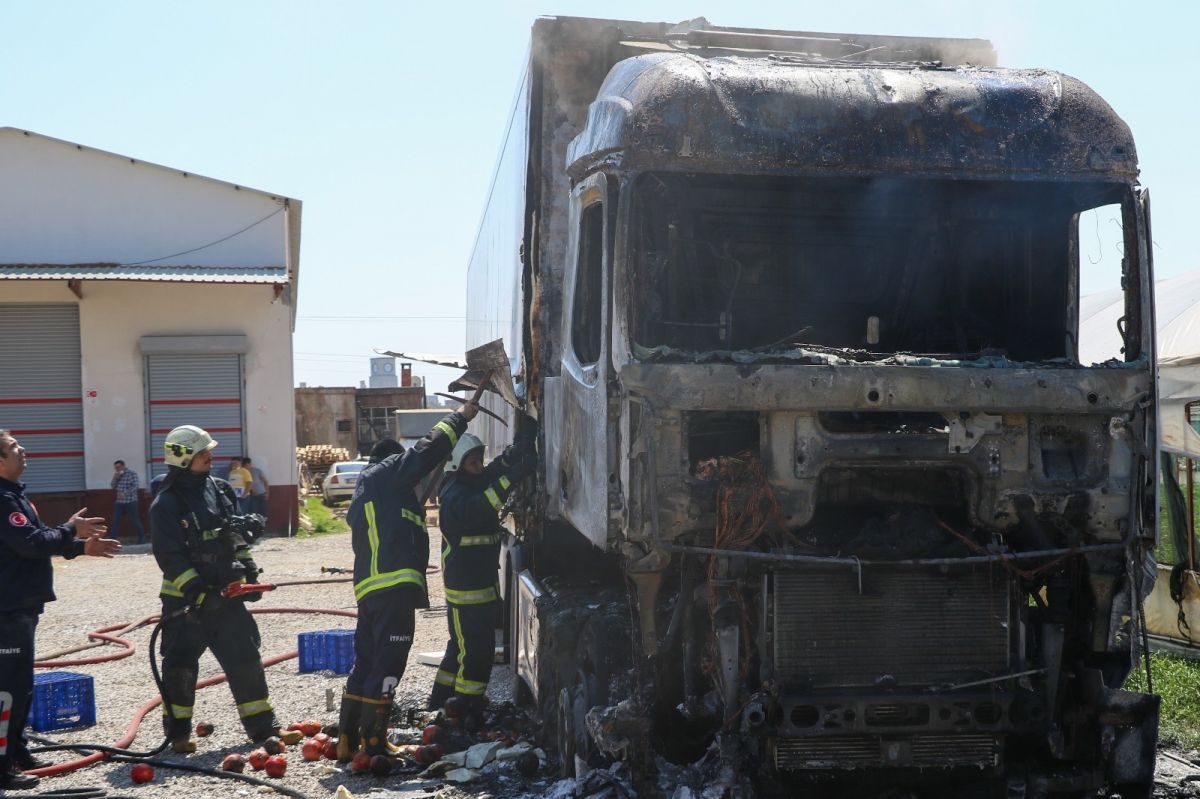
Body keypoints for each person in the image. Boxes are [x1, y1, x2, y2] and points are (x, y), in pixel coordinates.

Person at [337, 403, 477, 760]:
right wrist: (460, 418)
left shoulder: (368, 492)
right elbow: (424, 452)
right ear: (391, 462)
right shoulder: (388, 473)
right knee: (388, 664)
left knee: (365, 662)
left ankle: (346, 740)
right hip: (393, 590)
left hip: (369, 592)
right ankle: (373, 742)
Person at [149, 425, 298, 754]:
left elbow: (235, 538)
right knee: (180, 666)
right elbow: (170, 558)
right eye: (202, 453)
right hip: (186, 602)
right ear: (183, 458)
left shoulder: (218, 489)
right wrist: (199, 594)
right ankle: (178, 734)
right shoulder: (166, 504)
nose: (210, 457)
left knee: (245, 658)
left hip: (227, 596)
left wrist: (249, 575)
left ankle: (264, 728)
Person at [0, 429, 121, 791]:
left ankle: (17, 751)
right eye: (13, 447)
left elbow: (37, 542)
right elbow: (31, 544)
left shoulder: (14, 496)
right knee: (6, 690)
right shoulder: (2, 500)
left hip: (20, 607)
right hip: (6, 611)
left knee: (20, 687)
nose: (23, 450)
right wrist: (72, 529)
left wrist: (81, 546)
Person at [428, 422, 535, 721]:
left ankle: (440, 703)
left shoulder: (467, 481)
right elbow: (481, 506)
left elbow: (491, 473)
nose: (479, 467)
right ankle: (466, 709)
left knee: (458, 651)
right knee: (476, 654)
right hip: (467, 593)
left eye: (479, 460)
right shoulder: (454, 497)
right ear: (456, 465)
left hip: (478, 588)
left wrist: (515, 454)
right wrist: (511, 479)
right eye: (473, 462)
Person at [110, 460, 145, 544]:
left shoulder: (131, 473)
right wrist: (115, 478)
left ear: (123, 466)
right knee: (116, 520)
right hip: (119, 502)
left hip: (131, 501)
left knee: (135, 520)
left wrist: (125, 493)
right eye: (115, 468)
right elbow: (112, 486)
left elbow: (135, 486)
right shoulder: (117, 475)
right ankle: (112, 538)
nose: (117, 469)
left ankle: (142, 537)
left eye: (118, 467)